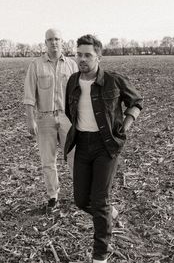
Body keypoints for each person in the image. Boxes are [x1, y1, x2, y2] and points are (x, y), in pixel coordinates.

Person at [64, 34, 143, 263]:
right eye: (79, 54)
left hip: (106, 146)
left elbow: (136, 102)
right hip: (82, 145)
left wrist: (124, 127)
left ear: (99, 56)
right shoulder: (72, 81)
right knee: (80, 200)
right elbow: (71, 111)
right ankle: (110, 213)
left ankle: (99, 255)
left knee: (99, 200)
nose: (82, 59)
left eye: (87, 55)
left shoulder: (113, 80)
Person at [23, 28, 78, 209]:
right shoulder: (36, 65)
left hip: (67, 118)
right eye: (50, 39)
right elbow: (29, 94)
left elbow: (79, 94)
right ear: (45, 43)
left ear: (62, 41)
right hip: (45, 118)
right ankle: (53, 196)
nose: (54, 42)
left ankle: (80, 194)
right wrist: (30, 119)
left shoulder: (71, 65)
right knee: (48, 161)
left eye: (57, 39)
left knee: (74, 158)